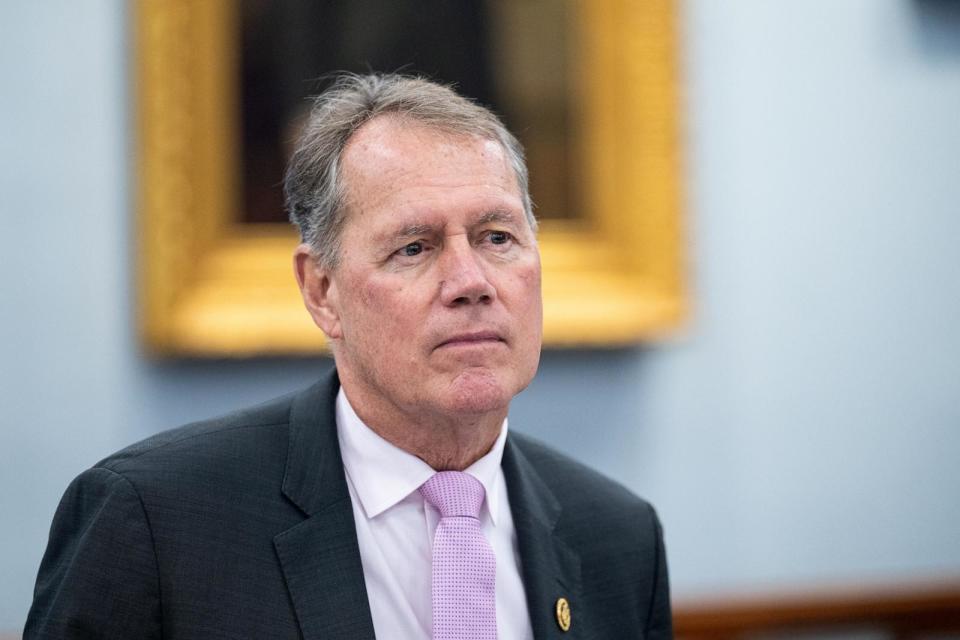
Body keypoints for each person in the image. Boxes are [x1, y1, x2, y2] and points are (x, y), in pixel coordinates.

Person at [26, 73, 672, 639]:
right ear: (322, 290)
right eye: (414, 248)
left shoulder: (616, 535)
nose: (471, 281)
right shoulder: (156, 519)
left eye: (497, 237)